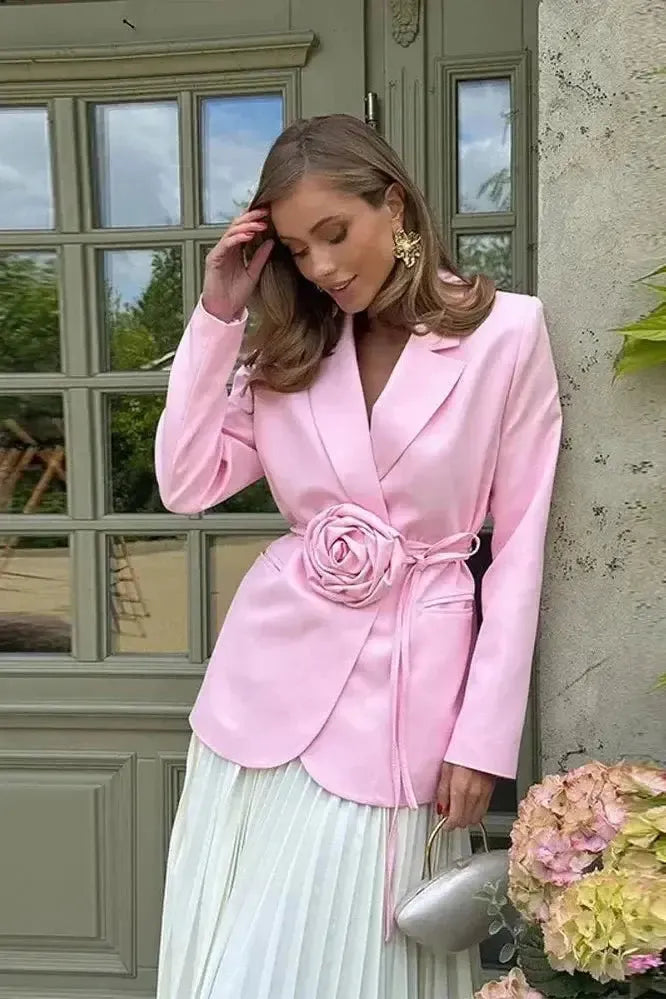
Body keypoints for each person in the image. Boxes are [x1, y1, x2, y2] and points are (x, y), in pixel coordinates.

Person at [155, 114, 562, 999]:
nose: (323, 268)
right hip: (260, 699)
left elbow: (520, 548)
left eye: (335, 233)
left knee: (349, 966)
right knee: (236, 971)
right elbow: (185, 480)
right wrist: (219, 311)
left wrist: (483, 738)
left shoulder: (508, 334)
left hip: (402, 705)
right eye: (300, 250)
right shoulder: (288, 348)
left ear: (396, 204)